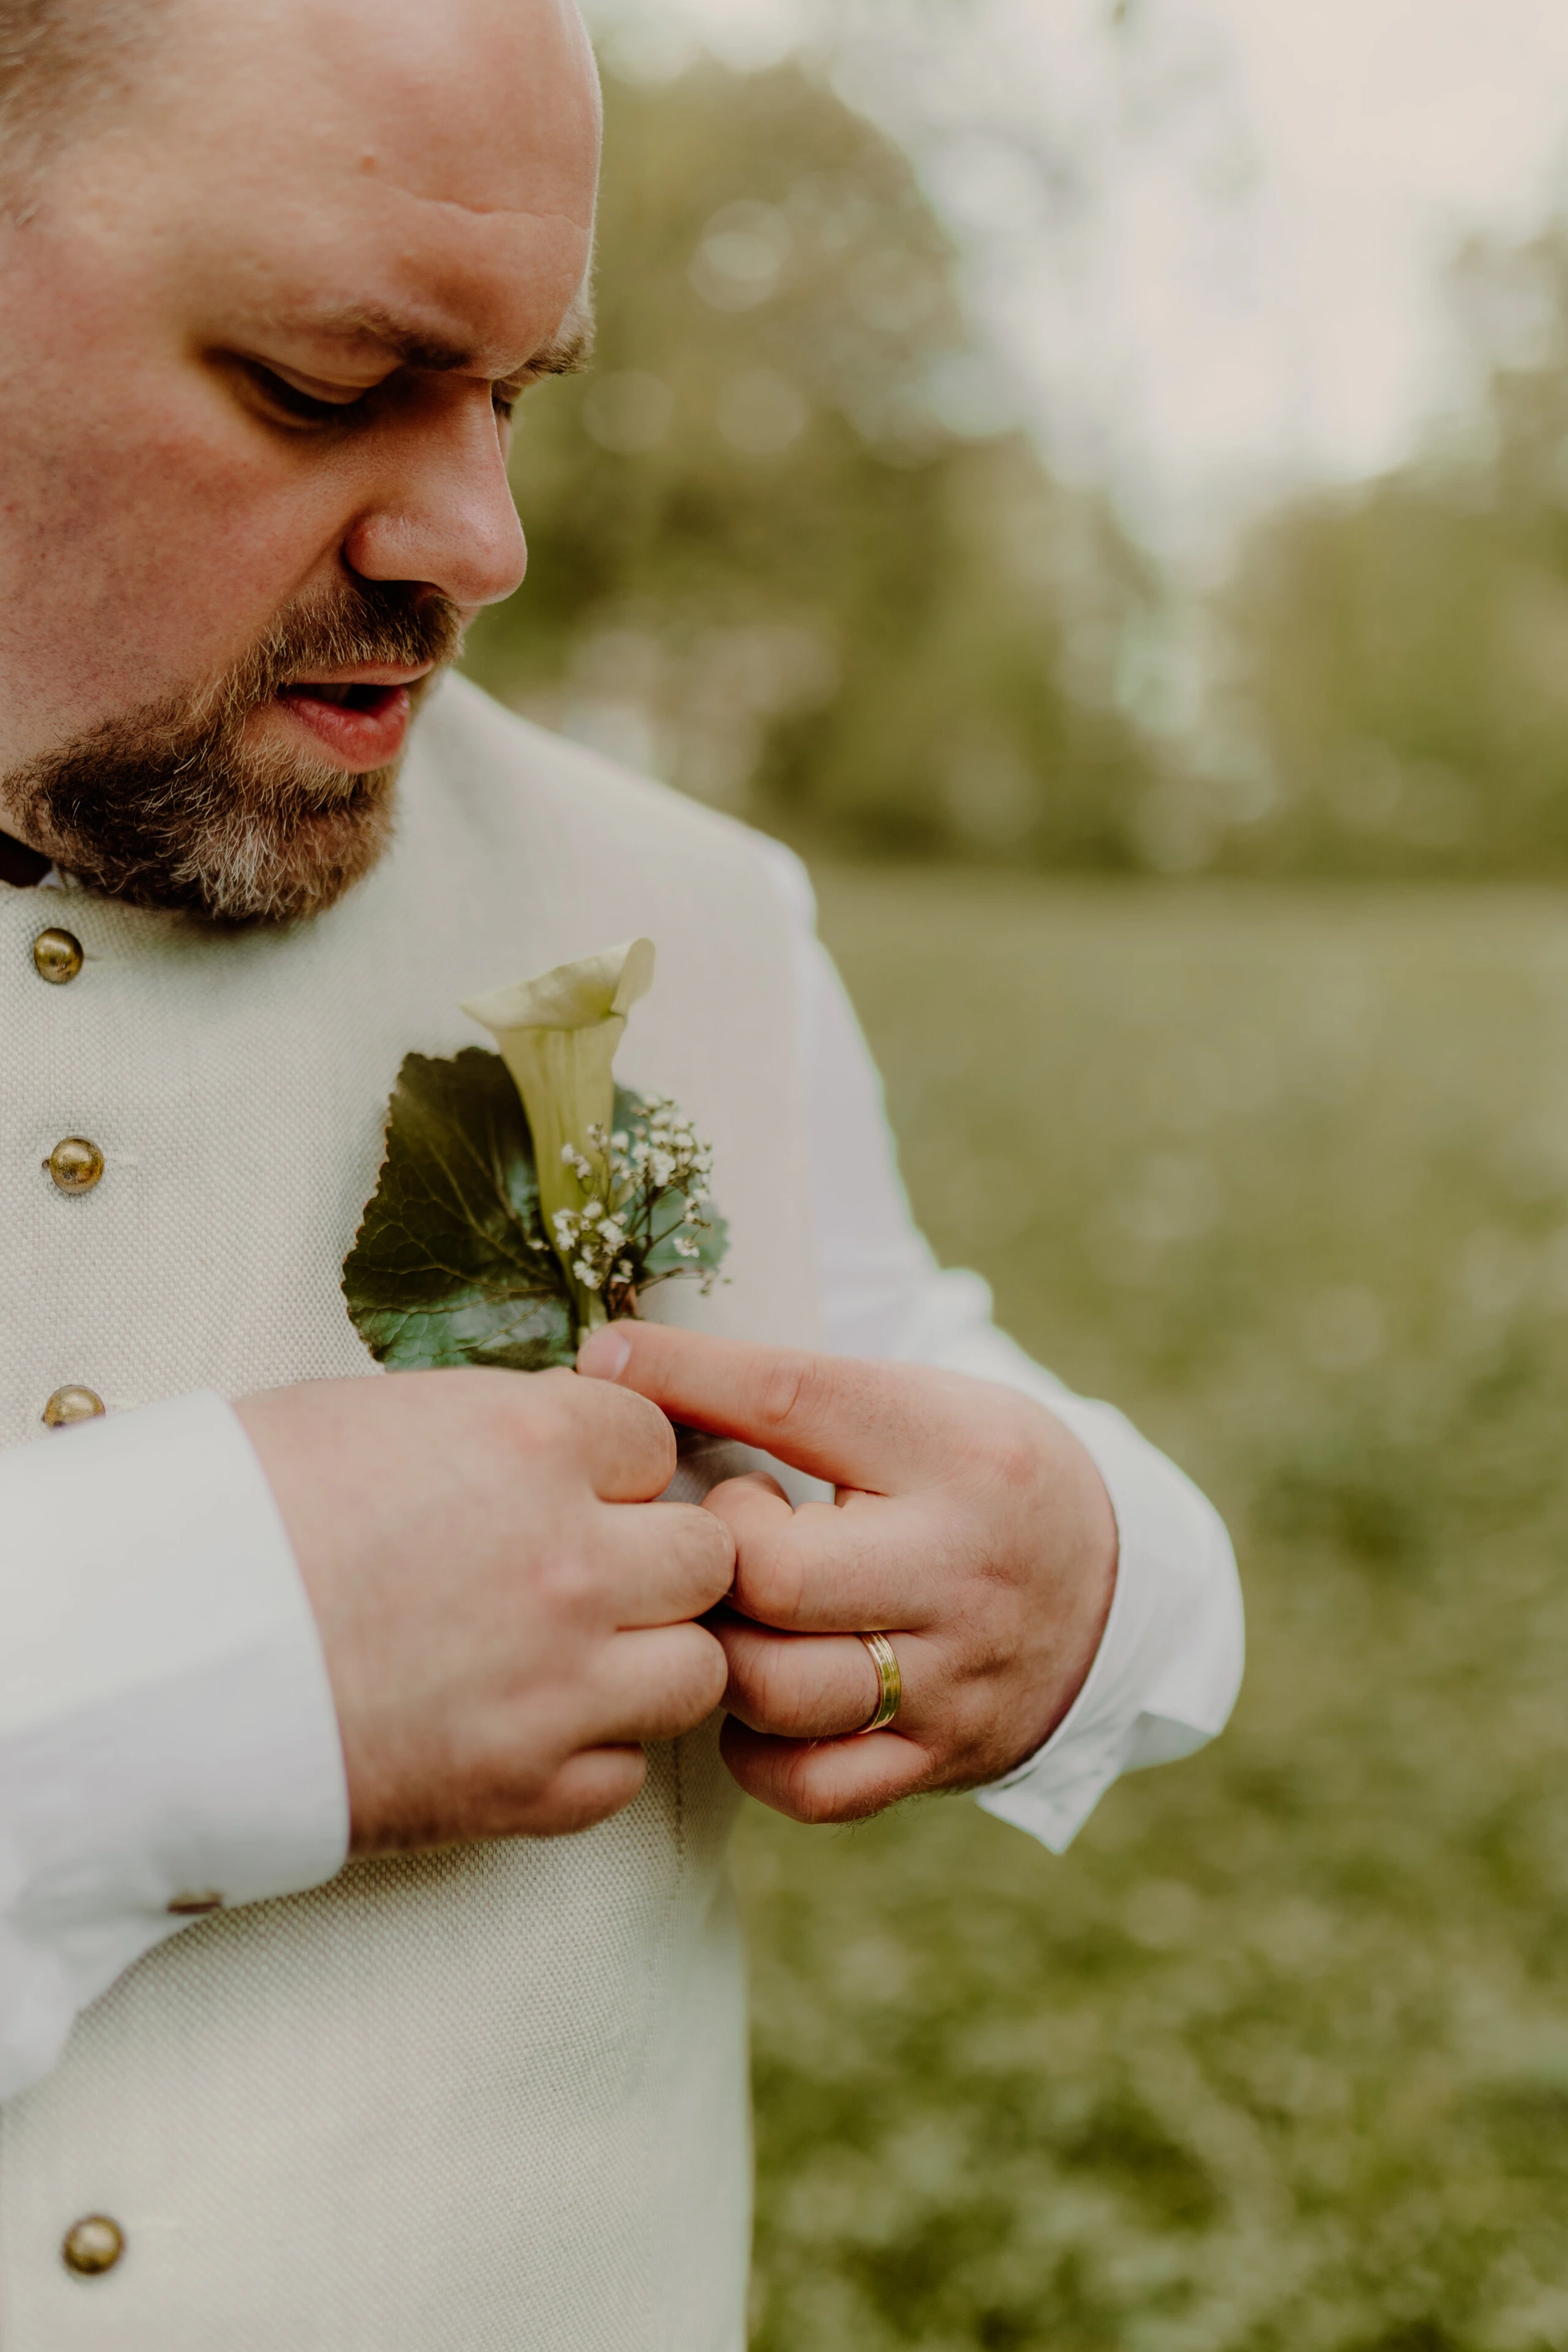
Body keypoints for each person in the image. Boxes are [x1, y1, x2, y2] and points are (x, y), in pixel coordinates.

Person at [0, 0, 1243, 2343]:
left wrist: (1077, 1572)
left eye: (515, 393)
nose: (484, 540)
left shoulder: (690, 916)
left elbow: (931, 1386)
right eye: (320, 379)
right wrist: (198, 1652)